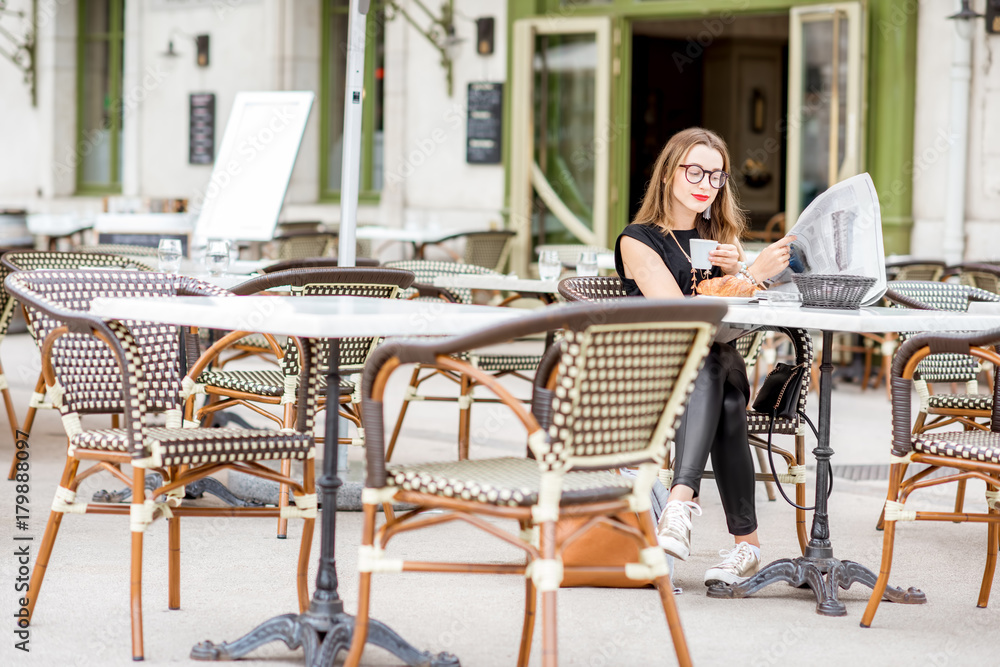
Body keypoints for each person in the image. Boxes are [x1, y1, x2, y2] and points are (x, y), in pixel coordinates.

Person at [614, 127, 794, 586]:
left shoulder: (719, 240)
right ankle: (743, 544)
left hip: (711, 365)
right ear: (668, 173)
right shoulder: (637, 240)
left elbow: (730, 319)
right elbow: (681, 314)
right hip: (655, 372)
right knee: (726, 394)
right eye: (694, 170)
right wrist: (750, 275)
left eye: (716, 175)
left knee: (713, 360)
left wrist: (744, 275)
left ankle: (679, 504)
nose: (705, 182)